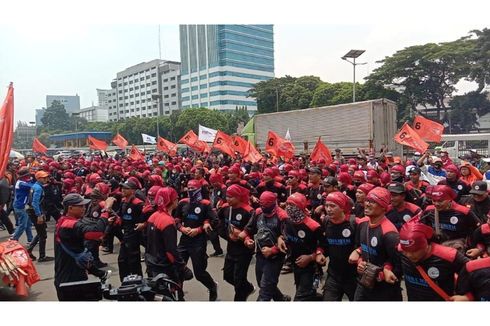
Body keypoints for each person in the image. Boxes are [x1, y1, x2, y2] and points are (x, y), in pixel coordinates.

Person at [349, 187, 402, 301]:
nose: (367, 204)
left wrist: (385, 272)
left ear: (383, 207)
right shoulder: (362, 223)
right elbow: (359, 246)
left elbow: (399, 263)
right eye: (367, 200)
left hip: (384, 289)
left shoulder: (390, 233)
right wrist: (359, 261)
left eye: (373, 202)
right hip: (364, 282)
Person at [54, 194, 109, 301]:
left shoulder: (63, 221)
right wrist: (106, 211)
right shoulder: (69, 225)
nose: (84, 208)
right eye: (81, 206)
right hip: (70, 282)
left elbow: (78, 252)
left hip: (71, 276)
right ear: (70, 208)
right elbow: (96, 233)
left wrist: (97, 272)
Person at [398, 222, 469, 301]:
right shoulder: (400, 251)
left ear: (425, 244)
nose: (409, 255)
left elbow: (476, 273)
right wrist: (388, 267)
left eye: (414, 251)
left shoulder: (448, 255)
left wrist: (468, 297)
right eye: (405, 251)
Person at [240, 191, 290, 301]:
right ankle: (281, 299)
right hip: (260, 253)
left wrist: (273, 250)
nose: (263, 207)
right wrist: (247, 240)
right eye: (261, 204)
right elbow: (248, 229)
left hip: (276, 257)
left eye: (265, 205)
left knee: (265, 290)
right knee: (261, 282)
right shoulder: (258, 212)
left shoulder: (282, 216)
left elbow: (287, 239)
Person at [174, 179, 218, 301]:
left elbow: (214, 221)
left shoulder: (205, 204)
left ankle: (212, 286)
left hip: (198, 241)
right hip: (184, 240)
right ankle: (179, 296)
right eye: (188, 188)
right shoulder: (183, 203)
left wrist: (199, 229)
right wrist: (182, 228)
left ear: (199, 189)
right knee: (179, 269)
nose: (190, 191)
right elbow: (176, 219)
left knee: (199, 273)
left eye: (193, 188)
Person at [278, 192, 322, 301]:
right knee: (305, 292)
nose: (288, 208)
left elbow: (324, 245)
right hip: (295, 265)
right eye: (287, 204)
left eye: (292, 205)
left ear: (300, 207)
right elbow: (283, 235)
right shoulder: (287, 221)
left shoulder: (313, 226)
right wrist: (280, 239)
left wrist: (311, 257)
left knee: (300, 298)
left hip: (310, 267)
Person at [315, 191, 357, 301]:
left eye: (333, 206)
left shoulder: (355, 223)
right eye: (327, 206)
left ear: (342, 207)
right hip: (334, 274)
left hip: (353, 276)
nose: (328, 209)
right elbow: (323, 244)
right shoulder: (326, 221)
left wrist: (358, 251)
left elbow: (363, 244)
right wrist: (319, 252)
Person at [145, 187, 185, 300]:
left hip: (152, 263)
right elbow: (171, 250)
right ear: (171, 201)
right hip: (164, 267)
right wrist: (182, 266)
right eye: (176, 198)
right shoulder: (168, 221)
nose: (178, 200)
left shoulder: (153, 216)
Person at [217, 184, 256, 301]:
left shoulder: (249, 211)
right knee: (228, 276)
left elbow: (253, 228)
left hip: (244, 250)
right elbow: (218, 223)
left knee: (239, 279)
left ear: (238, 197)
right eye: (227, 196)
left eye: (231, 197)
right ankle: (248, 288)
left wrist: (244, 236)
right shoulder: (225, 209)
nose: (228, 199)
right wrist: (228, 236)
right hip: (231, 248)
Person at [419, 185, 480, 252]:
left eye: (440, 201)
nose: (436, 204)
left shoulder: (464, 212)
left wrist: (477, 248)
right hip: (436, 245)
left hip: (457, 247)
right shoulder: (429, 210)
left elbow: (479, 229)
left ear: (450, 200)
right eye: (434, 200)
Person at [117, 180, 145, 281]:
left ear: (133, 191)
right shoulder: (123, 201)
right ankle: (124, 282)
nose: (123, 190)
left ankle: (139, 283)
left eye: (126, 188)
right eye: (122, 188)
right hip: (126, 235)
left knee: (134, 262)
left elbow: (147, 219)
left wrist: (144, 224)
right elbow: (120, 215)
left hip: (134, 236)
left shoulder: (138, 204)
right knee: (122, 260)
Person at [26, 170, 54, 262]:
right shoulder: (38, 188)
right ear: (39, 178)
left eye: (46, 177)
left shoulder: (35, 186)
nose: (46, 179)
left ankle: (29, 250)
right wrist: (39, 215)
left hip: (33, 211)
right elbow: (35, 203)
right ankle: (42, 256)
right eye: (44, 177)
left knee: (40, 232)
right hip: (35, 212)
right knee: (43, 235)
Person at [11, 168, 34, 245]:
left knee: (28, 224)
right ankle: (14, 239)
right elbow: (32, 186)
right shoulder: (22, 184)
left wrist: (30, 179)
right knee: (22, 225)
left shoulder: (20, 182)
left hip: (21, 205)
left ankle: (30, 239)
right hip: (20, 206)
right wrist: (32, 179)